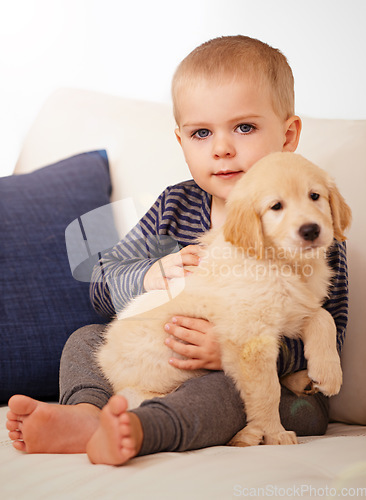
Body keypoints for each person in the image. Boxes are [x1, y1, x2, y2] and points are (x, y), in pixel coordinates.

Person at [6, 35, 348, 466]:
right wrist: (148, 274)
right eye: (201, 133)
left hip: (262, 384)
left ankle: (145, 430)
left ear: (288, 133)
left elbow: (331, 334)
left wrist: (228, 351)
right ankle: (85, 415)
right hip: (157, 358)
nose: (222, 148)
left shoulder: (309, 222)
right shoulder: (176, 206)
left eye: (244, 127)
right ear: (181, 141)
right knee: (84, 339)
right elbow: (100, 288)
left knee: (229, 389)